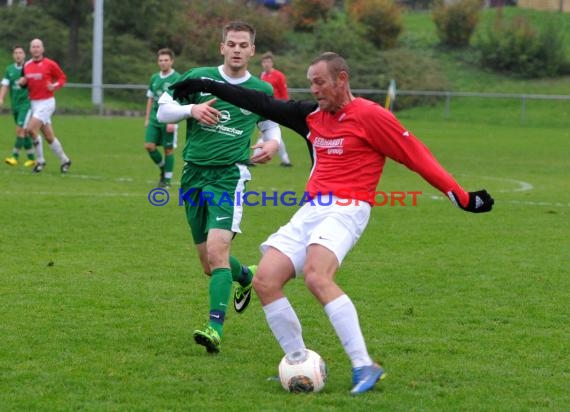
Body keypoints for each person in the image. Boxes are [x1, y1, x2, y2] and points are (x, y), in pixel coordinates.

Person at [169, 52, 495, 394]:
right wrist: (208, 84)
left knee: (315, 275)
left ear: (341, 80)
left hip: (348, 208)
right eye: (311, 83)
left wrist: (460, 196)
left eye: (320, 82)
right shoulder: (311, 115)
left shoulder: (371, 116)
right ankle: (298, 362)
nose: (315, 90)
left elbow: (417, 156)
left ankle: (363, 364)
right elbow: (261, 102)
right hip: (311, 209)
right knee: (265, 279)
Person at [156, 21, 282, 354]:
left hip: (230, 176)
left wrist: (273, 144)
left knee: (217, 252)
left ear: (252, 50)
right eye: (232, 44)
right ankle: (246, 276)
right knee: (209, 265)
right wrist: (191, 109)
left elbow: (272, 128)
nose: (237, 49)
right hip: (193, 175)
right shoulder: (199, 78)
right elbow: (162, 110)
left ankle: (214, 328)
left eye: (244, 45)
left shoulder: (261, 91)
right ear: (221, 47)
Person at [20, 38, 71, 173]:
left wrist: (53, 86)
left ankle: (40, 161)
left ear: (43, 49)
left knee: (30, 129)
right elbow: (24, 83)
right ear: (30, 49)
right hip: (34, 103)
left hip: (47, 102)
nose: (36, 49)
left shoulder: (50, 64)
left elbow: (62, 78)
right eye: (33, 47)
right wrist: (22, 83)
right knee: (48, 136)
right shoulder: (27, 65)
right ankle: (65, 160)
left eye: (38, 46)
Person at [144, 48, 181, 188]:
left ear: (171, 61)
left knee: (168, 150)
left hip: (169, 119)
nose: (163, 63)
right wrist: (147, 118)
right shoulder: (154, 78)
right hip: (154, 119)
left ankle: (167, 181)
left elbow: (180, 99)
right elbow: (150, 99)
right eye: (160, 60)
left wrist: (173, 121)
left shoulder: (177, 78)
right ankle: (163, 168)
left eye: (166, 60)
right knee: (149, 146)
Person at [1, 45, 37, 167]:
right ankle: (32, 159)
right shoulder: (9, 69)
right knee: (24, 132)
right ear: (13, 55)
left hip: (26, 105)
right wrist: (1, 98)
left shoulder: (29, 68)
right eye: (15, 53)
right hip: (15, 106)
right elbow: (5, 85)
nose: (18, 55)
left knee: (20, 129)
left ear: (24, 55)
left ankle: (14, 157)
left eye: (20, 52)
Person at [255, 52, 292, 167]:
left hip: (276, 109)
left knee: (264, 134)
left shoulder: (279, 75)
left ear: (272, 63)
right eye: (264, 62)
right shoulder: (262, 76)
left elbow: (284, 94)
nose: (266, 64)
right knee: (273, 135)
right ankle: (286, 161)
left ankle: (254, 159)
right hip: (264, 109)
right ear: (262, 64)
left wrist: (284, 109)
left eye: (269, 62)